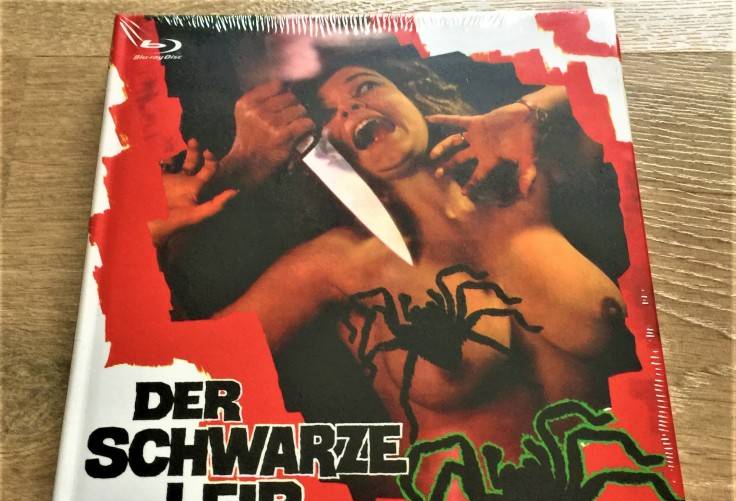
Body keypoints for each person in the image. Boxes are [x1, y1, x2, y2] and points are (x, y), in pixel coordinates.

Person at [152, 53, 639, 475]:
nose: (351, 107)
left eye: (365, 87)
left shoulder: (526, 183)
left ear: (414, 96)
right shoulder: (339, 262)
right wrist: (153, 233)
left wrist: (531, 110)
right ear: (326, 153)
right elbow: (183, 376)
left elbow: (620, 82)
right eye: (330, 113)